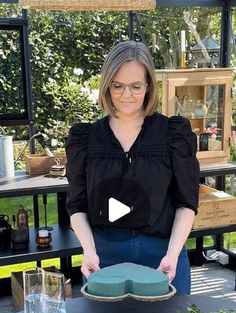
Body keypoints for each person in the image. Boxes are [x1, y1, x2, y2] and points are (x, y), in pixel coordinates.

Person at [66, 40, 199, 295]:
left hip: (163, 255)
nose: (127, 94)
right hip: (103, 258)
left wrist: (172, 254)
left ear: (149, 86)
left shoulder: (172, 135)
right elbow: (76, 204)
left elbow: (186, 202)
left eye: (136, 86)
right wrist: (89, 250)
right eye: (117, 86)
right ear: (106, 85)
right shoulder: (86, 138)